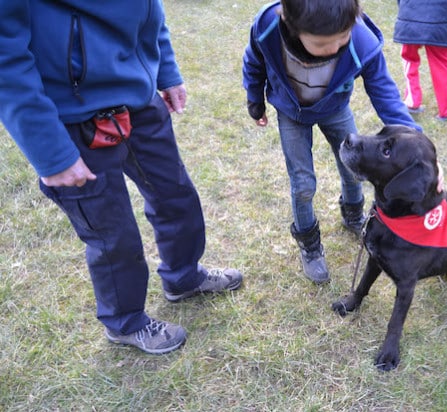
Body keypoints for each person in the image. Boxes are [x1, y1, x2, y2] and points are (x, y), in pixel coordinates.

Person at [0, 1, 243, 355]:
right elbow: (5, 58)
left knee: (176, 195)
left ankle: (183, 276)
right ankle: (125, 321)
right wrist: (50, 153)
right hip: (72, 116)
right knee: (112, 234)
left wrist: (166, 71)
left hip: (139, 103)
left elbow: (150, 9)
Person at [242, 0, 423, 284]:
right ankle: (309, 245)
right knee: (302, 185)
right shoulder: (267, 27)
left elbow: (385, 93)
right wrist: (255, 100)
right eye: (323, 44)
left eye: (343, 36)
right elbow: (254, 62)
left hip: (335, 109)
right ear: (292, 25)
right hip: (291, 114)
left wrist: (415, 137)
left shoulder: (360, 41)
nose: (337, 47)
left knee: (354, 168)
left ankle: (353, 215)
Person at [394, 0, 447, 120]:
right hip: (439, 21)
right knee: (442, 65)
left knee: (409, 59)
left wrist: (405, 13)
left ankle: (411, 101)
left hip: (409, 19)